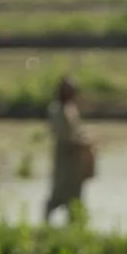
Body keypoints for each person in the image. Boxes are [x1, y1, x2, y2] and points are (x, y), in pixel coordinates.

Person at [44, 77, 95, 223]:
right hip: (64, 156)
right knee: (59, 192)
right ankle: (47, 221)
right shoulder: (56, 110)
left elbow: (77, 131)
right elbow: (64, 135)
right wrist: (81, 143)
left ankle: (75, 224)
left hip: (75, 159)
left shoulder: (71, 109)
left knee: (75, 194)